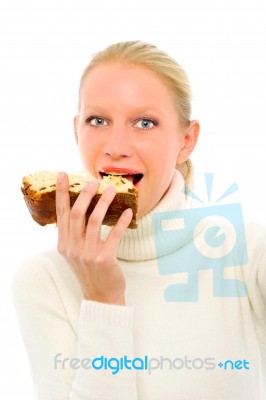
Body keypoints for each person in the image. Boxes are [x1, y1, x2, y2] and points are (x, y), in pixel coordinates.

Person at [12, 41, 266, 400]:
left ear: (186, 140)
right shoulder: (43, 279)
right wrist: (102, 300)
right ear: (76, 131)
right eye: (97, 120)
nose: (116, 146)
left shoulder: (247, 254)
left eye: (144, 122)